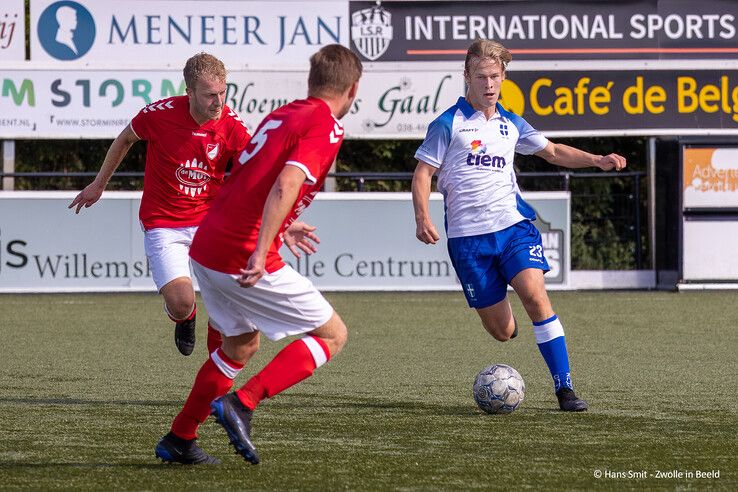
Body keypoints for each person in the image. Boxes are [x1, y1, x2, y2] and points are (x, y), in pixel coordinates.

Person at [154, 44, 362, 465]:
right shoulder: (326, 125)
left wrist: (284, 225)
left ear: (312, 82)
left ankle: (180, 438)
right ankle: (242, 404)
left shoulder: (285, 114)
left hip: (209, 242)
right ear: (352, 90)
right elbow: (285, 185)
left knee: (240, 345)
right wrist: (264, 246)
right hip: (242, 251)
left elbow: (253, 179)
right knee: (333, 335)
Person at [412, 39, 626, 412]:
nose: (489, 85)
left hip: (514, 227)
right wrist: (422, 217)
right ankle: (510, 310)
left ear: (503, 77)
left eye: (495, 76)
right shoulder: (448, 124)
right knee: (503, 332)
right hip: (468, 241)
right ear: (467, 77)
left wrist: (597, 159)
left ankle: (565, 390)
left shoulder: (512, 123)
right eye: (481, 77)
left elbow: (554, 152)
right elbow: (423, 173)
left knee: (535, 295)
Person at [68, 52, 253, 357]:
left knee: (229, 302)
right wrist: (99, 183)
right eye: (209, 95)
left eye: (222, 93)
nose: (218, 102)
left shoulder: (232, 125)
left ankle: (217, 375)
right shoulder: (159, 114)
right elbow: (124, 139)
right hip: (164, 222)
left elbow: (255, 168)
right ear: (189, 92)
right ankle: (186, 317)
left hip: (211, 224)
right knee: (181, 302)